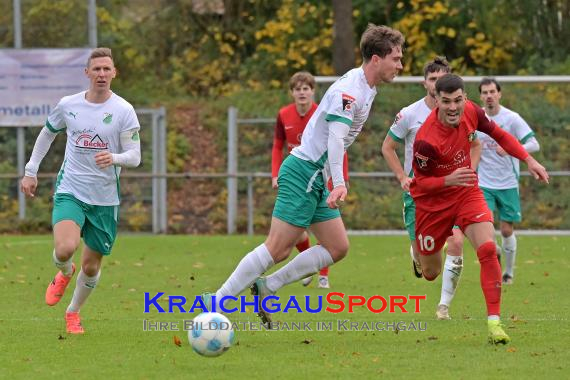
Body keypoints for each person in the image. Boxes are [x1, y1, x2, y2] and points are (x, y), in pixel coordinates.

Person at [203, 24, 404, 324]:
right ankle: (216, 301)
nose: (400, 65)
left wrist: (331, 180)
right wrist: (338, 183)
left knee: (337, 247)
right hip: (304, 172)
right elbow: (335, 140)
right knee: (277, 247)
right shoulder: (351, 91)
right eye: (396, 58)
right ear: (377, 58)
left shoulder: (366, 87)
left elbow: (337, 141)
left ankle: (267, 287)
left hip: (316, 176)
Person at [410, 73, 548, 344]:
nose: (453, 107)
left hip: (466, 194)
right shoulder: (426, 140)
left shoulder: (472, 110)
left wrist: (528, 159)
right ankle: (417, 252)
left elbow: (498, 134)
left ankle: (494, 323)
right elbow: (419, 185)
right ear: (436, 100)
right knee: (430, 273)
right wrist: (448, 179)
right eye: (446, 101)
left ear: (465, 98)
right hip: (433, 205)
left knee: (487, 249)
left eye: (458, 100)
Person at [20, 47, 141, 334]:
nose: (101, 74)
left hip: (104, 197)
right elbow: (48, 132)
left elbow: (135, 156)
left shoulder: (124, 110)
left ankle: (73, 312)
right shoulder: (68, 105)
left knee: (90, 267)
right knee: (64, 250)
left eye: (106, 69)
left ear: (114, 73)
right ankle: (63, 272)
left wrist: (114, 157)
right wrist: (30, 170)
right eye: (96, 69)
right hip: (71, 188)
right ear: (87, 73)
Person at [382, 57, 477, 321]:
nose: (436, 85)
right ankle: (417, 254)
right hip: (420, 193)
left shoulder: (459, 110)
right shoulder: (409, 114)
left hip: (452, 190)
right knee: (429, 272)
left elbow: (473, 142)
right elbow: (387, 146)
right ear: (425, 83)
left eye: (441, 79)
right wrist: (402, 176)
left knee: (457, 241)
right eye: (432, 79)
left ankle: (443, 307)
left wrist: (468, 171)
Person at [271, 71, 349, 289]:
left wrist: (341, 179)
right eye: (298, 89)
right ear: (292, 92)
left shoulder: (322, 113)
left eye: (306, 88)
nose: (302, 93)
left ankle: (323, 275)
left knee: (327, 231)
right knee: (296, 232)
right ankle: (306, 267)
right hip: (297, 175)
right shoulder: (283, 114)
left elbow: (339, 146)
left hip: (321, 177)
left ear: (313, 91)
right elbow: (277, 146)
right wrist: (275, 174)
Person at [478, 78, 540, 285]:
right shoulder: (476, 118)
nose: (489, 96)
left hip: (508, 184)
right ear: (480, 96)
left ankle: (509, 272)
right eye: (485, 92)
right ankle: (493, 256)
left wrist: (511, 147)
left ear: (499, 94)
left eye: (492, 91)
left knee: (505, 230)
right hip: (483, 183)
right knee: (483, 230)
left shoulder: (512, 118)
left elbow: (534, 144)